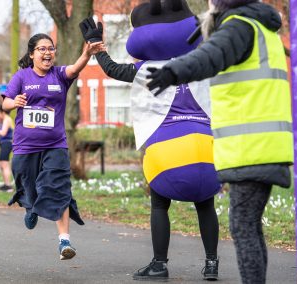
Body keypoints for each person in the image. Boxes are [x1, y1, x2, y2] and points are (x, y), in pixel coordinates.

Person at [146, 1, 293, 283]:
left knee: (243, 228)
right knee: (250, 226)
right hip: (266, 146)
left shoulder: (239, 26)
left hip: (251, 149)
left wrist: (172, 71)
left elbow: (209, 56)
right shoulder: (264, 29)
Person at [80, 0, 221, 281]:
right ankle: (212, 263)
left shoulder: (146, 71)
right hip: (207, 148)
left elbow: (111, 69)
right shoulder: (203, 66)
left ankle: (159, 263)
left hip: (167, 150)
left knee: (159, 204)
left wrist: (97, 47)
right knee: (205, 204)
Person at [2, 33, 105, 260]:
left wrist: (87, 54)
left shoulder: (59, 76)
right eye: (41, 49)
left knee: (59, 189)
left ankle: (64, 242)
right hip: (25, 146)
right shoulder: (22, 77)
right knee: (27, 186)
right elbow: (5, 102)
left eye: (51, 48)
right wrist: (15, 102)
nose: (47, 53)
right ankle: (30, 207)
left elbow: (74, 69)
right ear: (32, 54)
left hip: (55, 145)